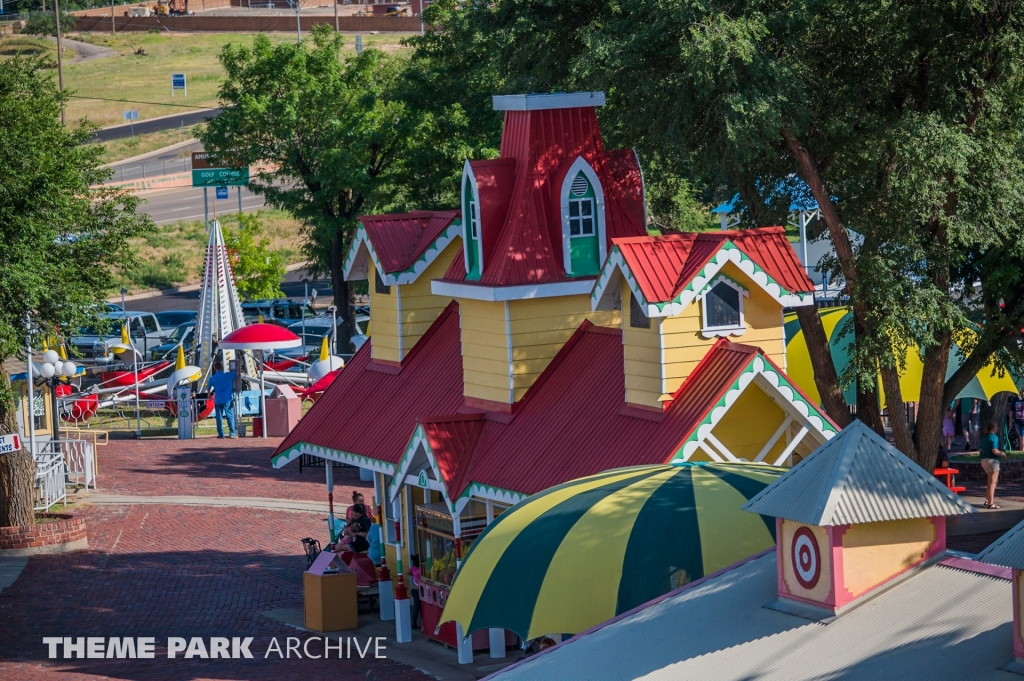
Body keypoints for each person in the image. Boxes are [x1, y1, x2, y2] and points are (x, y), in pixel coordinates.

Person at [980, 420, 1008, 509]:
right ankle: (990, 503)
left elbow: (981, 449)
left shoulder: (984, 437)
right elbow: (994, 450)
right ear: (993, 428)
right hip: (992, 461)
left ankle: (987, 499)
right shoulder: (994, 437)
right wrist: (1002, 454)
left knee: (991, 482)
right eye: (996, 426)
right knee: (992, 483)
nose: (997, 427)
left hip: (984, 460)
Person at [208, 361, 237, 439]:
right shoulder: (228, 375)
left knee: (219, 417)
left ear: (215, 368)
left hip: (218, 399)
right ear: (222, 367)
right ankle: (232, 433)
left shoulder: (212, 378)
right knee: (229, 416)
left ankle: (221, 434)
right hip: (227, 399)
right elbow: (237, 373)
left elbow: (208, 388)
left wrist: (209, 395)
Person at [409, 554, 422, 630]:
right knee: (417, 608)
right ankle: (413, 623)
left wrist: (413, 575)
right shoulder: (421, 570)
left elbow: (407, 572)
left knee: (417, 607)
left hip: (414, 589)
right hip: (418, 591)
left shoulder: (414, 568)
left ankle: (414, 623)